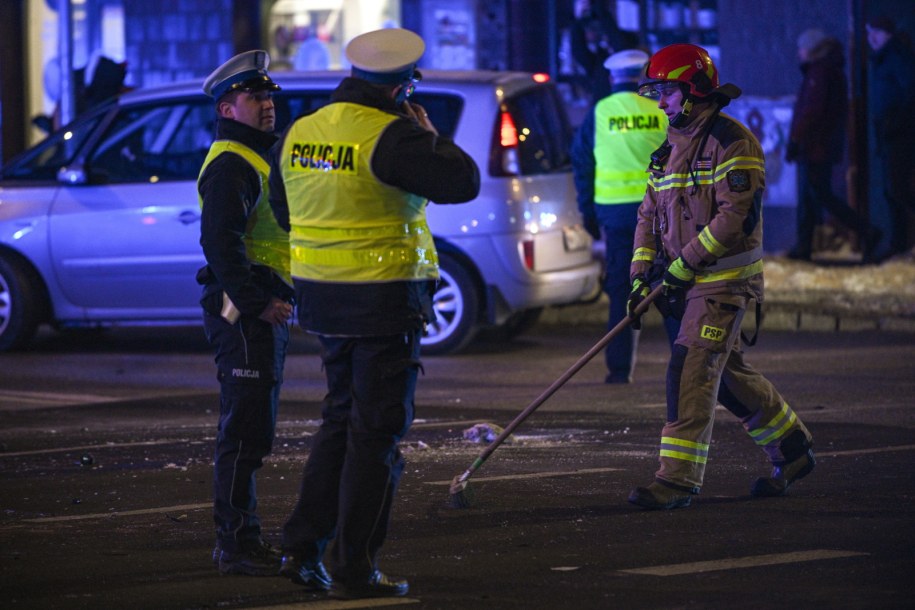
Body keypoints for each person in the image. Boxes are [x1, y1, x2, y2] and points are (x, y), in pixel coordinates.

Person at [269, 28, 480, 598]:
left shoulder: (302, 130)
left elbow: (283, 210)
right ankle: (354, 567)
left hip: (322, 300)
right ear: (401, 87)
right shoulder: (394, 136)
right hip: (383, 300)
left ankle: (301, 546)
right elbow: (462, 183)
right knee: (375, 435)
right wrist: (429, 134)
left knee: (340, 420)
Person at [626, 44, 815, 510]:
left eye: (666, 92)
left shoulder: (733, 142)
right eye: (655, 93)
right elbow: (648, 216)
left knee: (690, 369)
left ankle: (676, 480)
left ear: (692, 90)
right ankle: (793, 450)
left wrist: (684, 263)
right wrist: (638, 274)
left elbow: (734, 218)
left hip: (724, 282)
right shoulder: (669, 150)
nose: (660, 103)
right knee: (726, 377)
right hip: (687, 281)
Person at [196, 50, 295, 575]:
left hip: (261, 306)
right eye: (254, 97)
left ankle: (240, 538)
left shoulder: (256, 157)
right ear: (227, 108)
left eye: (267, 96)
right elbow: (220, 242)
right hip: (246, 311)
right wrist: (259, 303)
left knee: (253, 430)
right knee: (244, 433)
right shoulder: (233, 163)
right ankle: (236, 543)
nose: (266, 105)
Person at [571, 48, 676, 384]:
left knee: (622, 290)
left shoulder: (599, 113)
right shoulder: (659, 110)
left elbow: (583, 165)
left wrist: (588, 213)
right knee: (668, 287)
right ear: (644, 74)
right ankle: (689, 364)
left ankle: (619, 370)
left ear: (612, 78)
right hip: (658, 212)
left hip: (614, 216)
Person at [785, 28, 880, 263]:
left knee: (820, 194)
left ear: (813, 50)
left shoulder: (821, 73)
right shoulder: (828, 71)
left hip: (816, 146)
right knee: (811, 195)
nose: (800, 52)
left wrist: (797, 139)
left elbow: (812, 111)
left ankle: (866, 230)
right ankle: (804, 245)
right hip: (819, 145)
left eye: (803, 48)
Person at [866, 15, 915, 262]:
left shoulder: (897, 57)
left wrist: (896, 122)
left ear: (889, 34)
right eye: (868, 32)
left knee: (898, 189)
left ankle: (901, 242)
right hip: (889, 133)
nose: (871, 38)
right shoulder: (883, 59)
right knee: (891, 190)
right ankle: (899, 243)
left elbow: (910, 92)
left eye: (876, 32)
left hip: (900, 134)